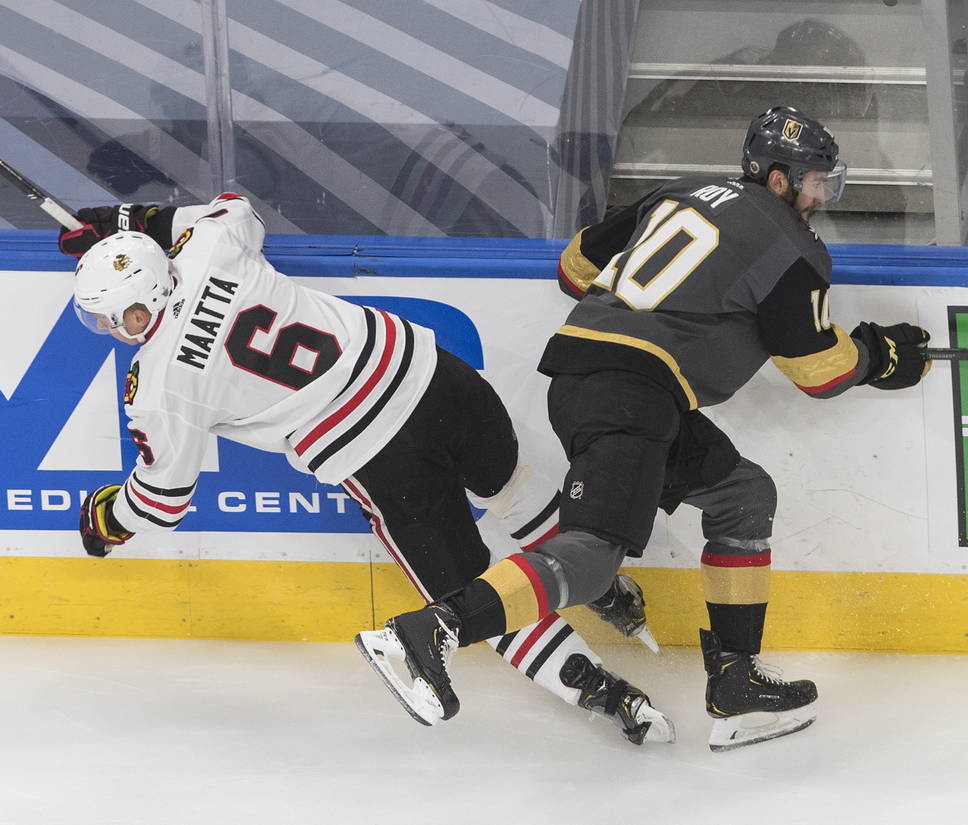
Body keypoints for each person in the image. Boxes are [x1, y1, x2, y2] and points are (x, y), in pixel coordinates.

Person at [357, 105, 933, 750]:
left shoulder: (677, 192)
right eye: (815, 180)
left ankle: (736, 680)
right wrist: (882, 356)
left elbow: (574, 268)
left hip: (596, 381)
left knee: (741, 495)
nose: (822, 194)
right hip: (632, 395)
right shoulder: (794, 248)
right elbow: (818, 370)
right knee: (590, 560)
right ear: (777, 178)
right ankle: (429, 632)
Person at [58, 195, 673, 746]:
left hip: (379, 457)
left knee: (470, 595)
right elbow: (235, 207)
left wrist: (109, 517)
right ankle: (606, 589)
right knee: (512, 488)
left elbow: (163, 498)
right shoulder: (205, 249)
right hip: (437, 378)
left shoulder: (159, 386)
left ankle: (606, 692)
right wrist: (129, 221)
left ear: (137, 310)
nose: (109, 329)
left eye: (111, 316)